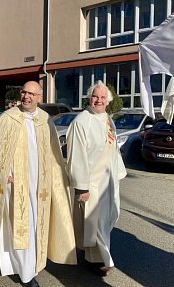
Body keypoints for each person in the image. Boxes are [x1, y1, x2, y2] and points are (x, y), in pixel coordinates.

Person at [0, 81, 76, 287]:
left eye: (32, 94)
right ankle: (26, 274)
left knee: (36, 225)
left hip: (39, 184)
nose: (26, 96)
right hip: (15, 184)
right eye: (24, 92)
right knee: (20, 226)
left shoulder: (45, 120)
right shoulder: (9, 118)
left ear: (39, 98)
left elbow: (53, 154)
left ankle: (30, 264)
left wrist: (57, 177)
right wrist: (4, 172)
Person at [66, 81, 127, 276]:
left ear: (108, 101)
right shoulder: (80, 122)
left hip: (107, 181)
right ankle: (99, 260)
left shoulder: (108, 119)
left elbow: (113, 149)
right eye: (95, 96)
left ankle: (95, 255)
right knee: (94, 222)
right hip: (91, 183)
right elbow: (76, 156)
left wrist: (117, 174)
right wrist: (82, 187)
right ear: (89, 98)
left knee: (105, 220)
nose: (98, 101)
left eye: (102, 98)